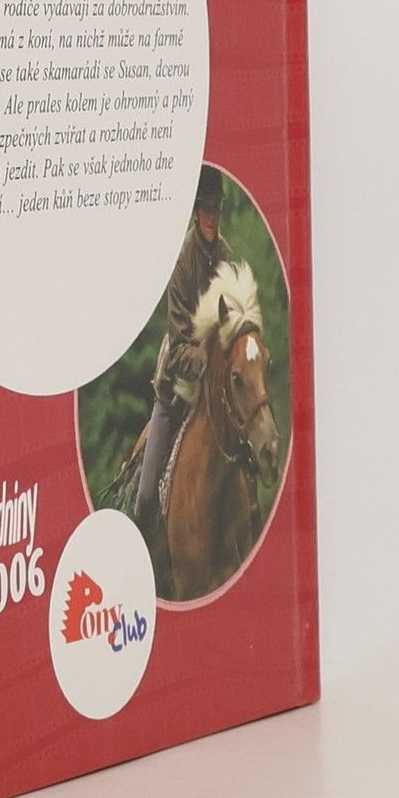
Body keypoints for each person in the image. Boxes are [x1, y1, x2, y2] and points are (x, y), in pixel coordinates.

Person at [135, 166, 233, 529]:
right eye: (207, 208)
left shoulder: (226, 256)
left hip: (215, 393)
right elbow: (178, 350)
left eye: (217, 208)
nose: (212, 216)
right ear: (195, 212)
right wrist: (208, 360)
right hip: (176, 391)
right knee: (147, 497)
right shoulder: (181, 262)